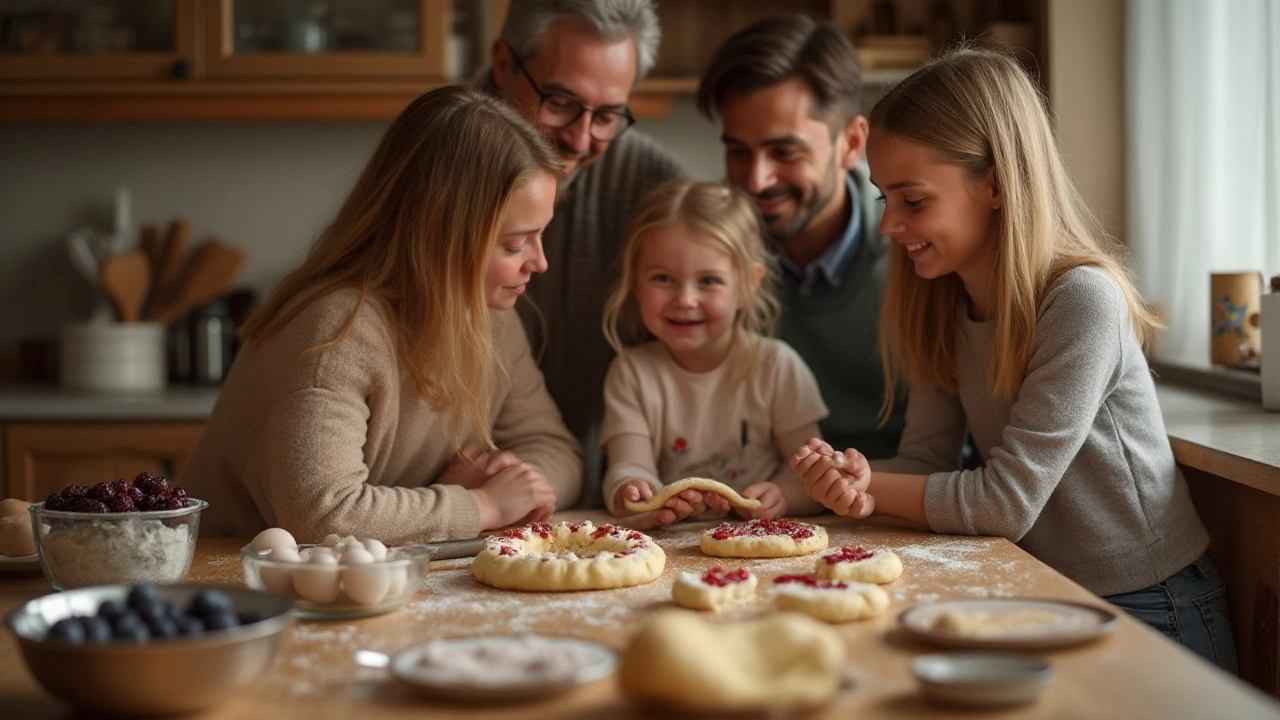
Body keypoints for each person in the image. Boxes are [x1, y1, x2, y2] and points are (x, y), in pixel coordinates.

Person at [790, 47, 1238, 672]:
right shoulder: (943, 302)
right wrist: (804, 488)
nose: (890, 225)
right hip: (1043, 595)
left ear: (997, 183)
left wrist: (863, 492)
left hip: (1150, 608)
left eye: (913, 200)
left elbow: (1006, 502)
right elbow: (926, 460)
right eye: (883, 199)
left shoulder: (1082, 299)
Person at [181, 86, 583, 543]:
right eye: (514, 244)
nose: (540, 262)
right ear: (440, 235)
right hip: (233, 585)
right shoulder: (337, 331)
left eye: (540, 235)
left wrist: (511, 479)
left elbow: (557, 449)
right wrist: (483, 504)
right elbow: (323, 514)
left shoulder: (488, 316)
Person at [479, 0, 687, 505]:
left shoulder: (656, 188)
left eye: (608, 115)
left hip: (599, 501)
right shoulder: (432, 156)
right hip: (439, 504)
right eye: (560, 102)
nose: (579, 139)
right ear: (504, 63)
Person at [696, 15, 906, 461]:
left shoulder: (914, 247)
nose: (755, 180)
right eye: (738, 152)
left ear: (851, 143)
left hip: (901, 502)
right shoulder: (707, 257)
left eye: (784, 152)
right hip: (760, 499)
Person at [600, 180, 828, 527]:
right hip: (673, 548)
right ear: (635, 282)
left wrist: (781, 495)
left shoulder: (776, 366)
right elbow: (628, 465)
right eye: (663, 278)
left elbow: (812, 471)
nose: (685, 299)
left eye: (708, 281)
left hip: (762, 540)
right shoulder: (632, 371)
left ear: (747, 286)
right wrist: (635, 492)